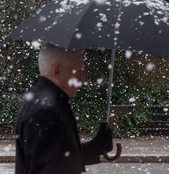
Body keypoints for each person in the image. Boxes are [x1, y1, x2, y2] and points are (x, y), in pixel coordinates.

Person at [15, 43, 113, 174]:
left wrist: (95, 148)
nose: (83, 77)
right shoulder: (45, 112)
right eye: (79, 70)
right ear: (57, 71)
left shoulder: (48, 101)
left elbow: (60, 157)